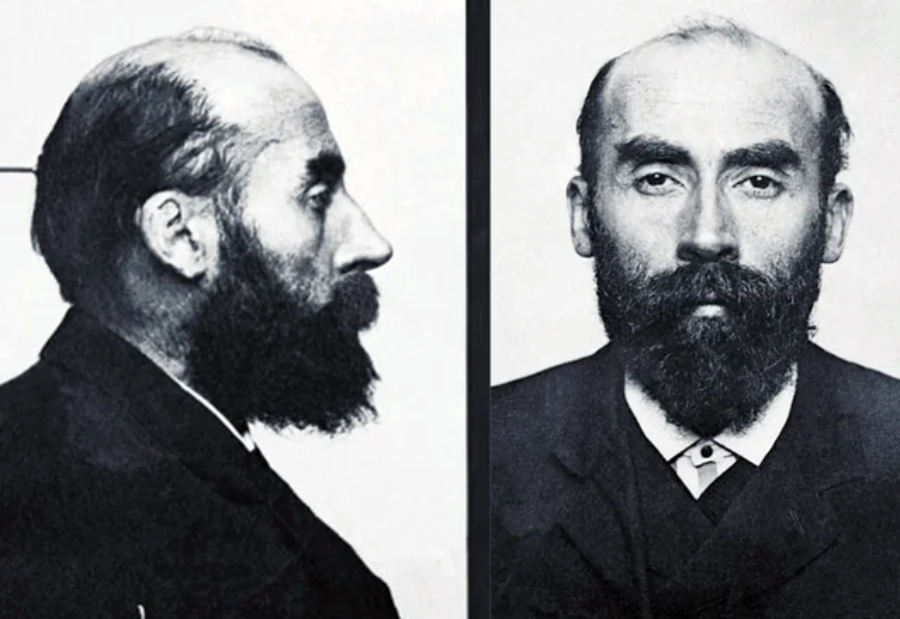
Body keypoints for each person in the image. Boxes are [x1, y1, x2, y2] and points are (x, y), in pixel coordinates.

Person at [491, 18, 900, 618]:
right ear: (583, 216)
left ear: (832, 222)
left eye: (759, 181)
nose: (708, 234)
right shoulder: (491, 453)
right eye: (657, 179)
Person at [0, 28, 399, 617]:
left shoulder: (191, 450)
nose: (370, 243)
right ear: (180, 236)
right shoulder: (35, 502)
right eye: (316, 196)